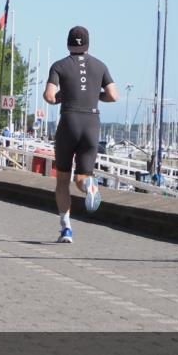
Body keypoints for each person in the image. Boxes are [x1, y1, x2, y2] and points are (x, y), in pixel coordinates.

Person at [43, 26, 119, 244]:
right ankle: (90, 186)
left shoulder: (59, 66)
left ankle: (66, 229)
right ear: (88, 44)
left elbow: (49, 96)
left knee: (63, 181)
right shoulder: (100, 65)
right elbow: (114, 95)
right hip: (92, 123)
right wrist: (96, 95)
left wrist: (60, 97)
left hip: (69, 121)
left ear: (68, 43)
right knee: (82, 177)